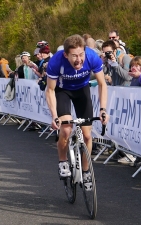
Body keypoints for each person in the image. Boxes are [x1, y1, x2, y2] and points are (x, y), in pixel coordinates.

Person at [45, 34, 108, 190]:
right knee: (66, 130)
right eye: (74, 56)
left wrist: (103, 109)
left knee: (87, 135)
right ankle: (62, 161)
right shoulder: (56, 62)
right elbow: (50, 90)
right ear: (66, 55)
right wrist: (54, 116)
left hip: (82, 91)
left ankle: (86, 171)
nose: (79, 59)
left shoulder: (92, 57)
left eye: (81, 55)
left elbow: (102, 84)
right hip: (62, 91)